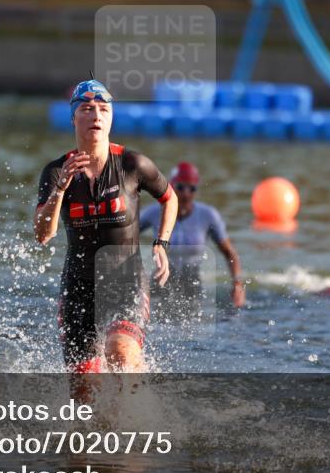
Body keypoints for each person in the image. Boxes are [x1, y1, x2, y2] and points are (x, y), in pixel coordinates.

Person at [34, 80, 178, 374]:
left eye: (103, 109)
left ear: (111, 118)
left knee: (121, 353)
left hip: (125, 283)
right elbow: (42, 235)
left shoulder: (132, 164)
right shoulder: (55, 171)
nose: (96, 116)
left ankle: (138, 413)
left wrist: (162, 243)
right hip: (78, 288)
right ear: (74, 117)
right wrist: (59, 191)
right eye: (87, 109)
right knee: (84, 393)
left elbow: (170, 198)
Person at [140, 162, 246, 309]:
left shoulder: (208, 215)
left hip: (192, 281)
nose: (186, 193)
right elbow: (125, 234)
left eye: (192, 188)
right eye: (181, 187)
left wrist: (237, 284)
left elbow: (230, 253)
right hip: (161, 278)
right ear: (171, 187)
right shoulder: (153, 212)